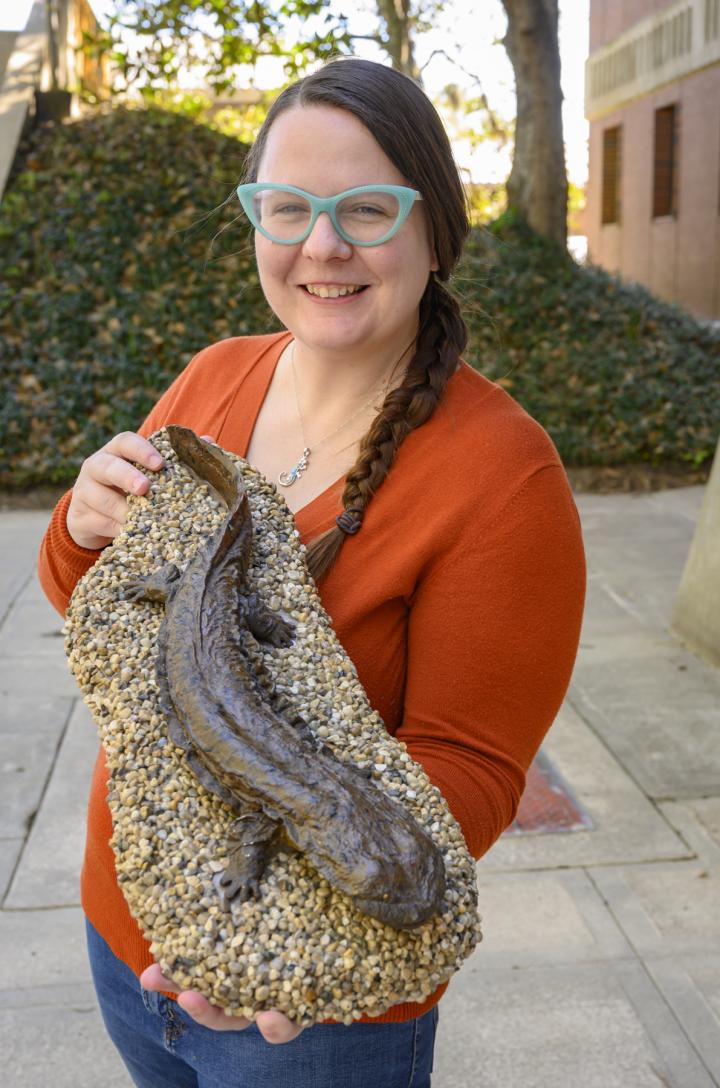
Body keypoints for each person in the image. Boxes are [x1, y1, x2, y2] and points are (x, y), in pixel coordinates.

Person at [38, 56, 586, 1088]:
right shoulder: (213, 374)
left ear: (436, 229)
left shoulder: (507, 478)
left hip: (316, 1017)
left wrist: (300, 916)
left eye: (367, 208)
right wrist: (80, 523)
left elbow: (470, 768)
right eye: (288, 208)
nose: (323, 245)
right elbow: (95, 613)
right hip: (122, 929)